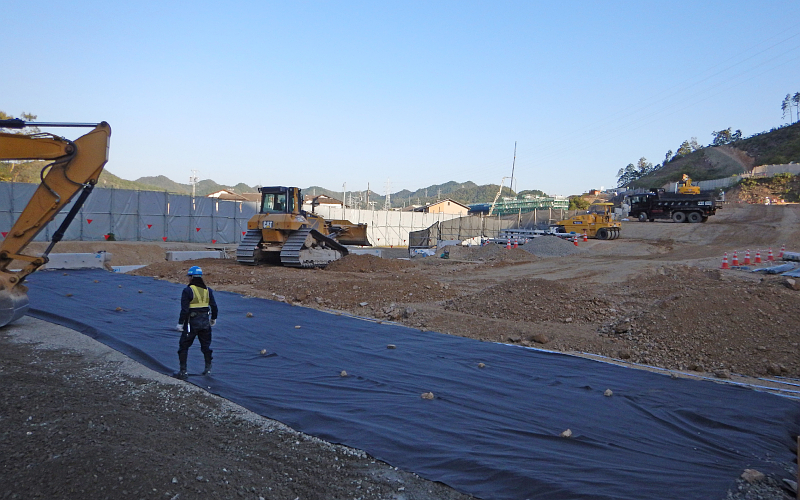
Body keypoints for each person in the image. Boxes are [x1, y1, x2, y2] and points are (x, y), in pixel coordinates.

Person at [175, 266, 218, 380]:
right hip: (205, 323)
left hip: (191, 323)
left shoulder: (188, 290)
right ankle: (208, 369)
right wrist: (213, 318)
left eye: (189, 277)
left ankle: (183, 371)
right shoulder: (208, 290)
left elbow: (184, 310)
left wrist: (180, 323)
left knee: (184, 346)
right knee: (206, 347)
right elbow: (214, 306)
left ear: (191, 277)